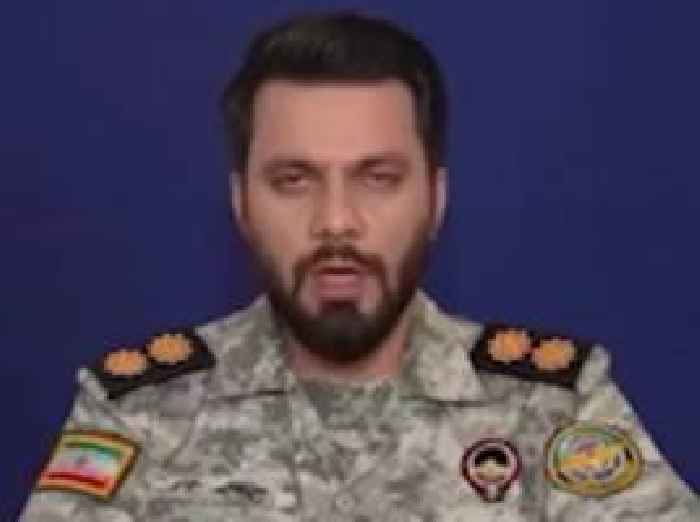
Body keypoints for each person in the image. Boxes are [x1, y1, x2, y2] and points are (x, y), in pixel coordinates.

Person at [20, 11, 699, 521]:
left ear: (435, 199)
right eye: (293, 180)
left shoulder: (553, 407)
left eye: (378, 178)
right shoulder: (137, 412)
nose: (337, 220)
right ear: (241, 204)